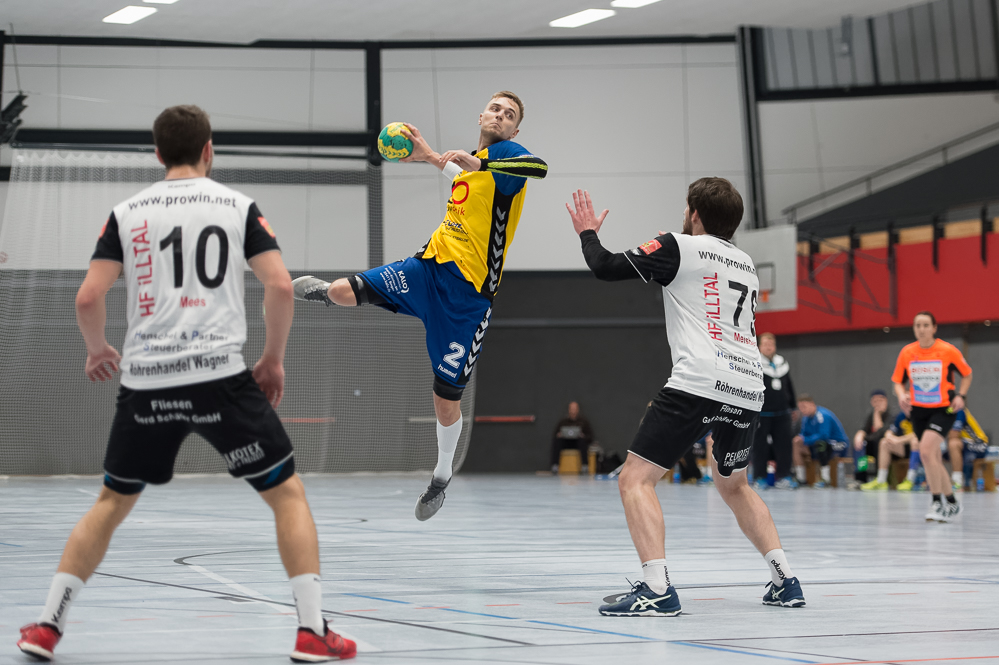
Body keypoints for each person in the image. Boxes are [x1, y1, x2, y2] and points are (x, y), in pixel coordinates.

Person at [16, 106, 356, 662]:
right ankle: (311, 632)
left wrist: (98, 349)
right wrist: (272, 360)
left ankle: (47, 626)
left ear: (157, 153)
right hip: (220, 378)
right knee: (286, 495)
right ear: (208, 149)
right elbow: (279, 286)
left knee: (111, 501)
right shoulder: (237, 206)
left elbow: (88, 297)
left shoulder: (126, 213)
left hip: (147, 381)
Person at [291, 92, 547, 521]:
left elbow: (538, 168)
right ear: (481, 115)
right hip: (427, 270)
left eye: (510, 115)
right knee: (340, 292)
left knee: (445, 401)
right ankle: (323, 294)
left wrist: (479, 163)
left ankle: (441, 477)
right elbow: (467, 181)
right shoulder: (475, 169)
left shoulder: (505, 159)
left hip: (467, 301)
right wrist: (430, 156)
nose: (500, 116)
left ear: (514, 129)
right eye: (495, 109)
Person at [565, 179, 805, 617]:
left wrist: (587, 233)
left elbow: (605, 266)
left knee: (634, 479)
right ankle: (785, 580)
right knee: (735, 485)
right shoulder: (746, 263)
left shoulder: (678, 247)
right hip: (748, 385)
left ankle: (657, 588)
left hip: (700, 380)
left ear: (694, 213)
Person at [892, 311, 972, 522]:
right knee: (933, 457)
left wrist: (961, 395)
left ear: (934, 328)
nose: (921, 329)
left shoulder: (947, 350)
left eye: (926, 325)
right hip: (919, 411)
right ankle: (952, 502)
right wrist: (901, 395)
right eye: (917, 325)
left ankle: (937, 502)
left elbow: (967, 374)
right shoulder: (907, 352)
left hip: (944, 409)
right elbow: (898, 381)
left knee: (926, 452)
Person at [753, 332, 797, 490]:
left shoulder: (782, 363)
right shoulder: (754, 363)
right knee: (760, 446)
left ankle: (784, 477)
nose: (768, 347)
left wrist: (792, 406)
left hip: (782, 413)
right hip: (762, 413)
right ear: (760, 347)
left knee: (784, 446)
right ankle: (759, 477)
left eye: (771, 344)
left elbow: (789, 385)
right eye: (765, 344)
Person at [862, 400, 919, 491]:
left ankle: (910, 480)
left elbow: (918, 434)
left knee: (915, 441)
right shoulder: (900, 416)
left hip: (920, 449)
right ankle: (881, 480)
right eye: (905, 401)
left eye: (909, 400)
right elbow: (889, 430)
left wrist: (899, 440)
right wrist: (890, 436)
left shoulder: (920, 415)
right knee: (884, 443)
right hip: (904, 448)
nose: (907, 404)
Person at [793, 395, 849, 487]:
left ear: (812, 404)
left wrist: (805, 440)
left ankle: (825, 479)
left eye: (804, 407)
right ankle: (801, 478)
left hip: (839, 444)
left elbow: (824, 436)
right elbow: (803, 435)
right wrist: (801, 439)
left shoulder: (822, 415)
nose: (802, 410)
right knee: (796, 443)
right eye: (800, 408)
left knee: (821, 444)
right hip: (817, 444)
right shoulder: (806, 418)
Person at [852, 389, 892, 485]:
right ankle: (861, 478)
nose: (878, 403)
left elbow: (880, 430)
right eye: (875, 401)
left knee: (879, 442)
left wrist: (877, 413)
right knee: (860, 445)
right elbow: (864, 429)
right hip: (872, 444)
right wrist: (860, 435)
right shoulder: (871, 414)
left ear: (886, 400)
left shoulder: (891, 414)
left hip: (885, 446)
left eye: (880, 400)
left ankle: (879, 477)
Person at [947, 408, 989, 490]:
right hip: (965, 444)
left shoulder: (958, 411)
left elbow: (953, 435)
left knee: (953, 444)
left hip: (979, 444)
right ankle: (933, 481)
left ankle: (957, 481)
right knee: (934, 450)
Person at [551, 401, 595, 473]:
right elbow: (555, 434)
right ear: (569, 410)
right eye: (572, 409)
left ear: (578, 410)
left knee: (582, 442)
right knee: (557, 441)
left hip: (577, 443)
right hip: (566, 443)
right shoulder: (563, 422)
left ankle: (585, 466)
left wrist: (583, 436)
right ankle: (555, 465)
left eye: (575, 409)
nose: (573, 411)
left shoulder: (583, 422)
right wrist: (559, 435)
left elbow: (590, 436)